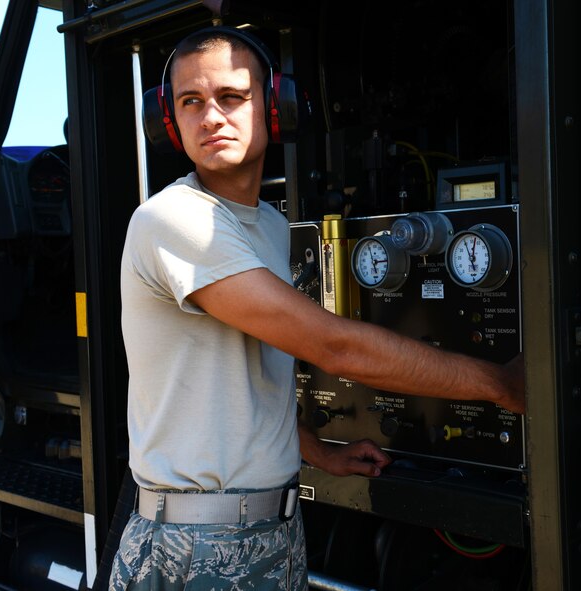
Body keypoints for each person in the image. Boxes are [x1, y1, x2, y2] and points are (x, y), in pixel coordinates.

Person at [110, 25, 525, 591]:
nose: (211, 117)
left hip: (273, 529)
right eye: (191, 102)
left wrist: (315, 451)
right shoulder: (173, 219)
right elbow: (333, 345)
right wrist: (499, 384)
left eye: (231, 97)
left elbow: (245, 374)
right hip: (197, 545)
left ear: (275, 110)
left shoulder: (271, 226)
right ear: (169, 122)